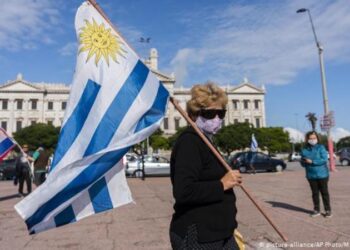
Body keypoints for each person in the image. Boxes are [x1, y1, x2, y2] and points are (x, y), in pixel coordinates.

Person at [170, 82, 242, 249]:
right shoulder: (190, 141)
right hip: (200, 234)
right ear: (194, 115)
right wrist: (222, 184)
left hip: (221, 231)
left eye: (221, 113)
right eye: (210, 114)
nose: (216, 119)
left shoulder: (207, 140)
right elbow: (183, 191)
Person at [300, 131, 332, 218]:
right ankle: (316, 210)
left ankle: (328, 210)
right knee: (314, 193)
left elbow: (324, 159)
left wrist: (312, 161)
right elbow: (302, 164)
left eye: (314, 138)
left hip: (322, 175)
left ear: (317, 138)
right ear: (307, 139)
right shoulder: (304, 150)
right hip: (311, 175)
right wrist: (304, 162)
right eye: (310, 138)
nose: (312, 140)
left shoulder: (321, 147)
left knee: (324, 193)